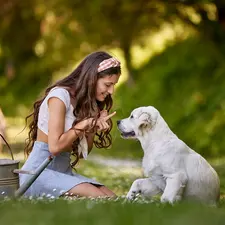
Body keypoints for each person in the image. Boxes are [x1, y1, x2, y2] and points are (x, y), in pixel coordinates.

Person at [20, 51, 121, 198]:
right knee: (101, 197)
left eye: (113, 85)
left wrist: (93, 127)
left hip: (62, 172)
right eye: (108, 84)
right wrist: (84, 124)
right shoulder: (59, 97)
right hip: (38, 173)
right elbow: (54, 148)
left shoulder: (87, 103)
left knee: (113, 198)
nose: (111, 91)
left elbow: (81, 153)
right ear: (92, 78)